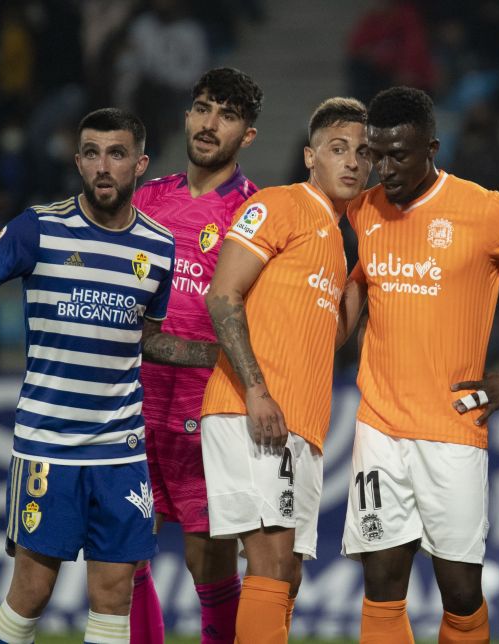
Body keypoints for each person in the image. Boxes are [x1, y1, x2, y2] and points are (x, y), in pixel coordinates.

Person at [338, 86, 499, 644]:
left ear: (432, 146)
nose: (385, 168)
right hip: (378, 426)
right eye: (376, 154)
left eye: (399, 155)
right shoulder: (364, 211)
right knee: (380, 584)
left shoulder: (485, 210)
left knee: (458, 592)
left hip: (453, 429)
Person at [0, 108, 176, 644]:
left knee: (113, 595)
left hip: (120, 450)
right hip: (48, 444)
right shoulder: (40, 227)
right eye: (92, 153)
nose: (103, 166)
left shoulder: (159, 245)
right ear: (77, 161)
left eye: (117, 153)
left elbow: (144, 337)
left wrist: (214, 357)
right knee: (32, 590)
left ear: (139, 164)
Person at [201, 97, 371, 643]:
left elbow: (331, 337)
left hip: (301, 422)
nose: (351, 162)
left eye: (363, 153)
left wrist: (364, 274)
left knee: (288, 572)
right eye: (337, 149)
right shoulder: (278, 205)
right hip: (251, 409)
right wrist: (255, 391)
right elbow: (222, 296)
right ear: (309, 157)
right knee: (271, 562)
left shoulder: (339, 243)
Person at [128, 67, 262, 644]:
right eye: (203, 108)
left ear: (248, 135)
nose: (210, 124)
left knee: (207, 561)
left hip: (207, 409)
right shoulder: (146, 200)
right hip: (133, 402)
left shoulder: (257, 212)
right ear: (186, 115)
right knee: (124, 556)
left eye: (227, 115)